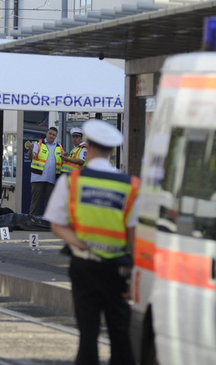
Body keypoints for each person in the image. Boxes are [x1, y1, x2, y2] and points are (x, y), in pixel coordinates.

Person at [44, 119, 139, 365]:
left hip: (84, 265)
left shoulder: (73, 181)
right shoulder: (130, 186)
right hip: (116, 268)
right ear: (112, 150)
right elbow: (133, 236)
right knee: (120, 332)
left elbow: (56, 225)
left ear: (89, 147)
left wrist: (82, 244)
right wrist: (132, 275)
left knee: (88, 333)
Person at [27, 127, 62, 215]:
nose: (51, 136)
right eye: (50, 133)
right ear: (46, 134)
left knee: (50, 203)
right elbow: (30, 157)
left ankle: (47, 223)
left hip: (51, 179)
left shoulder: (59, 147)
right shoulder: (38, 144)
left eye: (53, 135)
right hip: (38, 177)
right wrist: (30, 149)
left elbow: (62, 161)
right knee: (35, 202)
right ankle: (31, 222)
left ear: (56, 136)